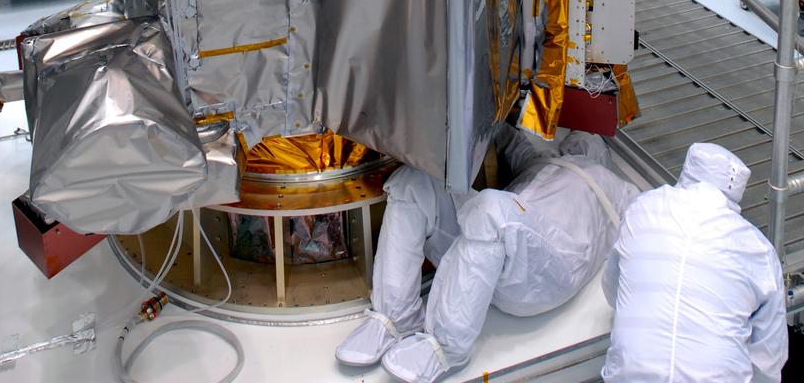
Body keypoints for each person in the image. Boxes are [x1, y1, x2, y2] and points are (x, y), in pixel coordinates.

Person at [335, 128, 639, 382]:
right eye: (573, 137)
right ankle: (395, 316)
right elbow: (507, 135)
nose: (576, 140)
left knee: (492, 209)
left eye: (585, 139)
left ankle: (447, 346)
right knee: (414, 182)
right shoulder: (544, 162)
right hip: (499, 252)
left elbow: (646, 230)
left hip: (551, 269)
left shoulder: (620, 189)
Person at [602, 141, 788, 382]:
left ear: (688, 170)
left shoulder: (642, 208)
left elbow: (612, 289)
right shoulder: (758, 249)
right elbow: (768, 360)